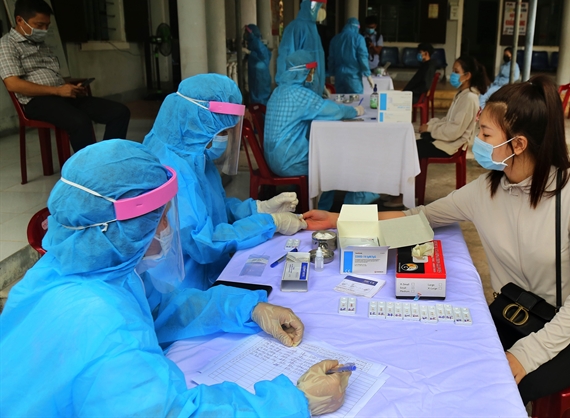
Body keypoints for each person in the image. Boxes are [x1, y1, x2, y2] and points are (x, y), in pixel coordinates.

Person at [302, 75, 570, 406]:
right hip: (515, 312)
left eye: (485, 134)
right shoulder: (487, 190)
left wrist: (527, 355)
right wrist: (339, 220)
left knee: (490, 392)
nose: (476, 140)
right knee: (445, 358)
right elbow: (419, 219)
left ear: (517, 144)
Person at [0, 139, 350, 417]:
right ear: (119, 230)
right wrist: (294, 403)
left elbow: (160, 311)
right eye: (160, 219)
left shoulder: (70, 271)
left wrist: (246, 309)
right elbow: (170, 413)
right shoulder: (105, 326)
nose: (168, 229)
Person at [143, 73, 307, 290]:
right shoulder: (172, 171)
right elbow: (203, 243)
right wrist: (270, 223)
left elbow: (215, 209)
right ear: (199, 122)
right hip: (182, 288)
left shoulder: (196, 153)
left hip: (210, 273)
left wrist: (257, 208)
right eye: (223, 132)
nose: (225, 139)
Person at [0, 0, 129, 152]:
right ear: (20, 20)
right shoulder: (7, 45)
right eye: (39, 25)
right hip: (36, 101)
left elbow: (53, 78)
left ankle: (109, 159)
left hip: (61, 95)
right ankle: (88, 170)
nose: (44, 30)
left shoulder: (41, 44)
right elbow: (13, 84)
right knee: (79, 121)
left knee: (119, 112)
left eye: (47, 26)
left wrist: (70, 89)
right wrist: (57, 90)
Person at [265, 50, 378, 210]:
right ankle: (336, 207)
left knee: (327, 155)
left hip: (273, 159)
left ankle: (312, 198)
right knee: (333, 162)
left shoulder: (278, 90)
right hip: (288, 162)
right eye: (311, 71)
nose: (313, 75)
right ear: (304, 72)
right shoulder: (300, 94)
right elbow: (335, 111)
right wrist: (355, 111)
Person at [385, 54, 488, 208]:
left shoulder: (469, 99)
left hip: (452, 145)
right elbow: (447, 120)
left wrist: (431, 129)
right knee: (410, 142)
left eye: (456, 71)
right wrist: (430, 125)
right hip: (446, 139)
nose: (452, 74)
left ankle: (405, 195)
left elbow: (454, 131)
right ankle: (402, 191)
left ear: (467, 76)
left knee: (412, 150)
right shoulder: (462, 94)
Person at [276, 0, 327, 97]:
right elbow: (286, 57)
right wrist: (284, 84)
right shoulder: (296, 27)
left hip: (314, 88)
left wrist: (321, 85)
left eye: (323, 7)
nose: (322, 10)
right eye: (319, 6)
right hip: (299, 89)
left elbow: (317, 59)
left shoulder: (313, 28)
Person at [327, 17, 373, 94]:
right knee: (356, 102)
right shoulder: (359, 39)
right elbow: (363, 58)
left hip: (339, 77)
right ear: (357, 27)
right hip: (353, 77)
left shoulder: (335, 39)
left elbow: (331, 59)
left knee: (340, 102)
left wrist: (331, 73)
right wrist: (368, 75)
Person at [244, 24, 272, 105]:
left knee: (259, 98)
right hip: (258, 74)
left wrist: (249, 53)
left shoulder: (256, 42)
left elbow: (264, 56)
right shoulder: (253, 42)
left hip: (259, 75)